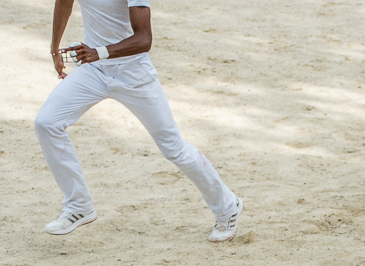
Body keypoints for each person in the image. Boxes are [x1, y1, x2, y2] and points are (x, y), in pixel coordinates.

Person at [35, 0, 242, 242]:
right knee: (47, 123)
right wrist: (54, 48)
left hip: (133, 73)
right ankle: (79, 206)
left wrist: (98, 52)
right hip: (93, 71)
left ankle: (228, 207)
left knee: (173, 146)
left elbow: (144, 39)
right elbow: (64, 2)